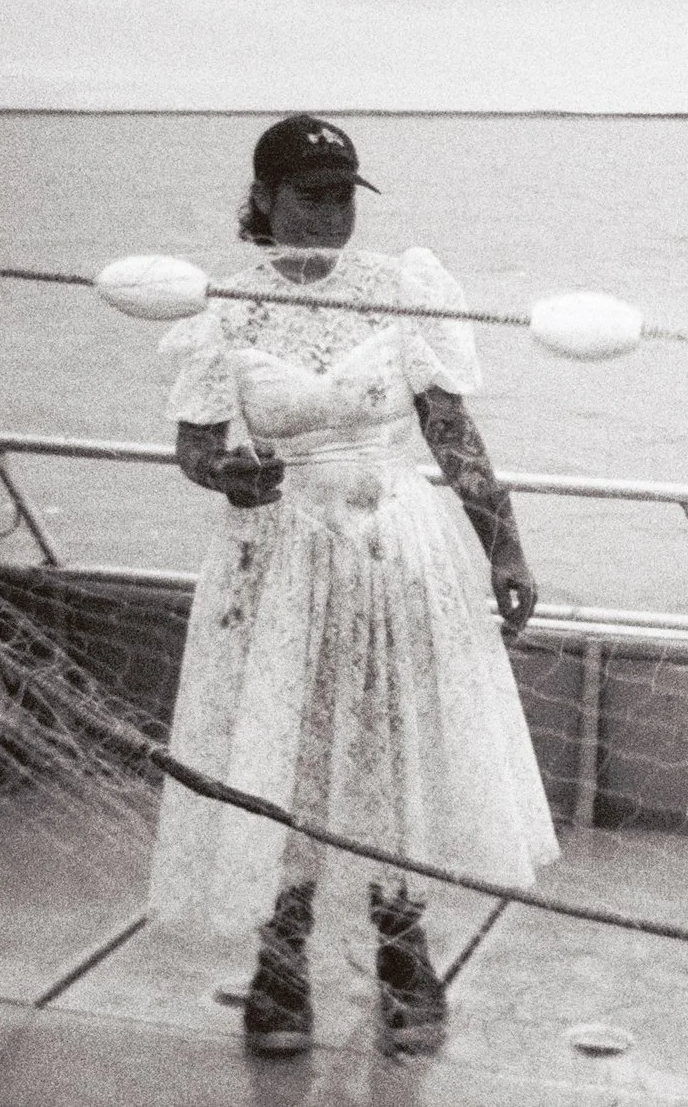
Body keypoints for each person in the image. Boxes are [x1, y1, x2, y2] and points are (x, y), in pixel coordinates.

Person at [145, 114, 559, 1057]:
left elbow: (452, 433)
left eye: (343, 197)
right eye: (310, 196)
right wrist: (226, 476)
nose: (332, 215)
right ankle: (280, 963)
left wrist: (507, 546)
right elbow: (196, 446)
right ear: (264, 201)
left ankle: (403, 953)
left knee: (390, 745)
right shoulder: (221, 307)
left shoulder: (399, 290)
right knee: (281, 747)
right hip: (277, 560)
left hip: (394, 553)